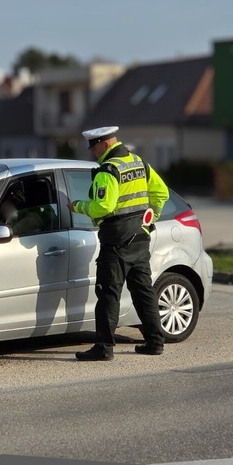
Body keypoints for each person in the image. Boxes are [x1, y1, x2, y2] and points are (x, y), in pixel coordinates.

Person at [70, 126, 169, 360]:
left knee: (108, 294)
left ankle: (104, 347)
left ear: (105, 144)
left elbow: (103, 206)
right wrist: (149, 219)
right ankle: (155, 342)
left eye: (94, 146)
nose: (93, 151)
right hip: (140, 237)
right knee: (144, 291)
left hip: (116, 240)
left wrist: (77, 206)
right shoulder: (138, 163)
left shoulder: (108, 170)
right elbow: (161, 193)